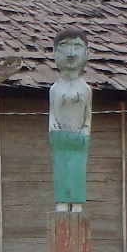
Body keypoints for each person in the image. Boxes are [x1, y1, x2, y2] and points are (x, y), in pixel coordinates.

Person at [47, 29, 93, 207]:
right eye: (64, 46)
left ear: (87, 52)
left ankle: (77, 202)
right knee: (61, 168)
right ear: (55, 53)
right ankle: (62, 201)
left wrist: (85, 129)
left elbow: (87, 115)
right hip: (60, 139)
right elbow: (53, 112)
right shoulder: (55, 89)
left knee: (77, 169)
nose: (71, 52)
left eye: (77, 46)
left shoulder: (85, 89)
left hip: (80, 140)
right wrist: (53, 128)